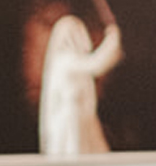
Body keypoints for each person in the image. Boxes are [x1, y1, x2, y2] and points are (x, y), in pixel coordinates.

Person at [38, 10, 122, 157]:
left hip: (81, 118)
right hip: (71, 123)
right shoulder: (63, 61)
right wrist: (112, 39)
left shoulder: (69, 60)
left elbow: (98, 63)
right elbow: (96, 64)